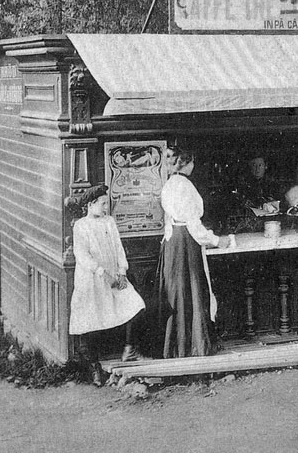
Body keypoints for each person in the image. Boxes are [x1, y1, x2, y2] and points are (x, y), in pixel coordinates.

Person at [67, 184, 147, 386]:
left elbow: (118, 248)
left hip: (115, 278)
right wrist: (103, 272)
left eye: (106, 203)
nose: (105, 208)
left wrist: (121, 272)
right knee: (91, 321)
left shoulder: (109, 222)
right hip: (92, 280)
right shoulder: (81, 226)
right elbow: (82, 255)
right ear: (91, 204)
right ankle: (94, 368)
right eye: (102, 204)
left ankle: (129, 350)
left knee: (135, 305)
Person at [159, 147, 232, 358]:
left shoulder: (170, 184)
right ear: (187, 164)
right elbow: (193, 224)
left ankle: (177, 347)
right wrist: (217, 240)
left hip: (173, 242)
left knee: (178, 292)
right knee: (191, 290)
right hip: (185, 243)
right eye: (192, 163)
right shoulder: (185, 186)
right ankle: (195, 346)